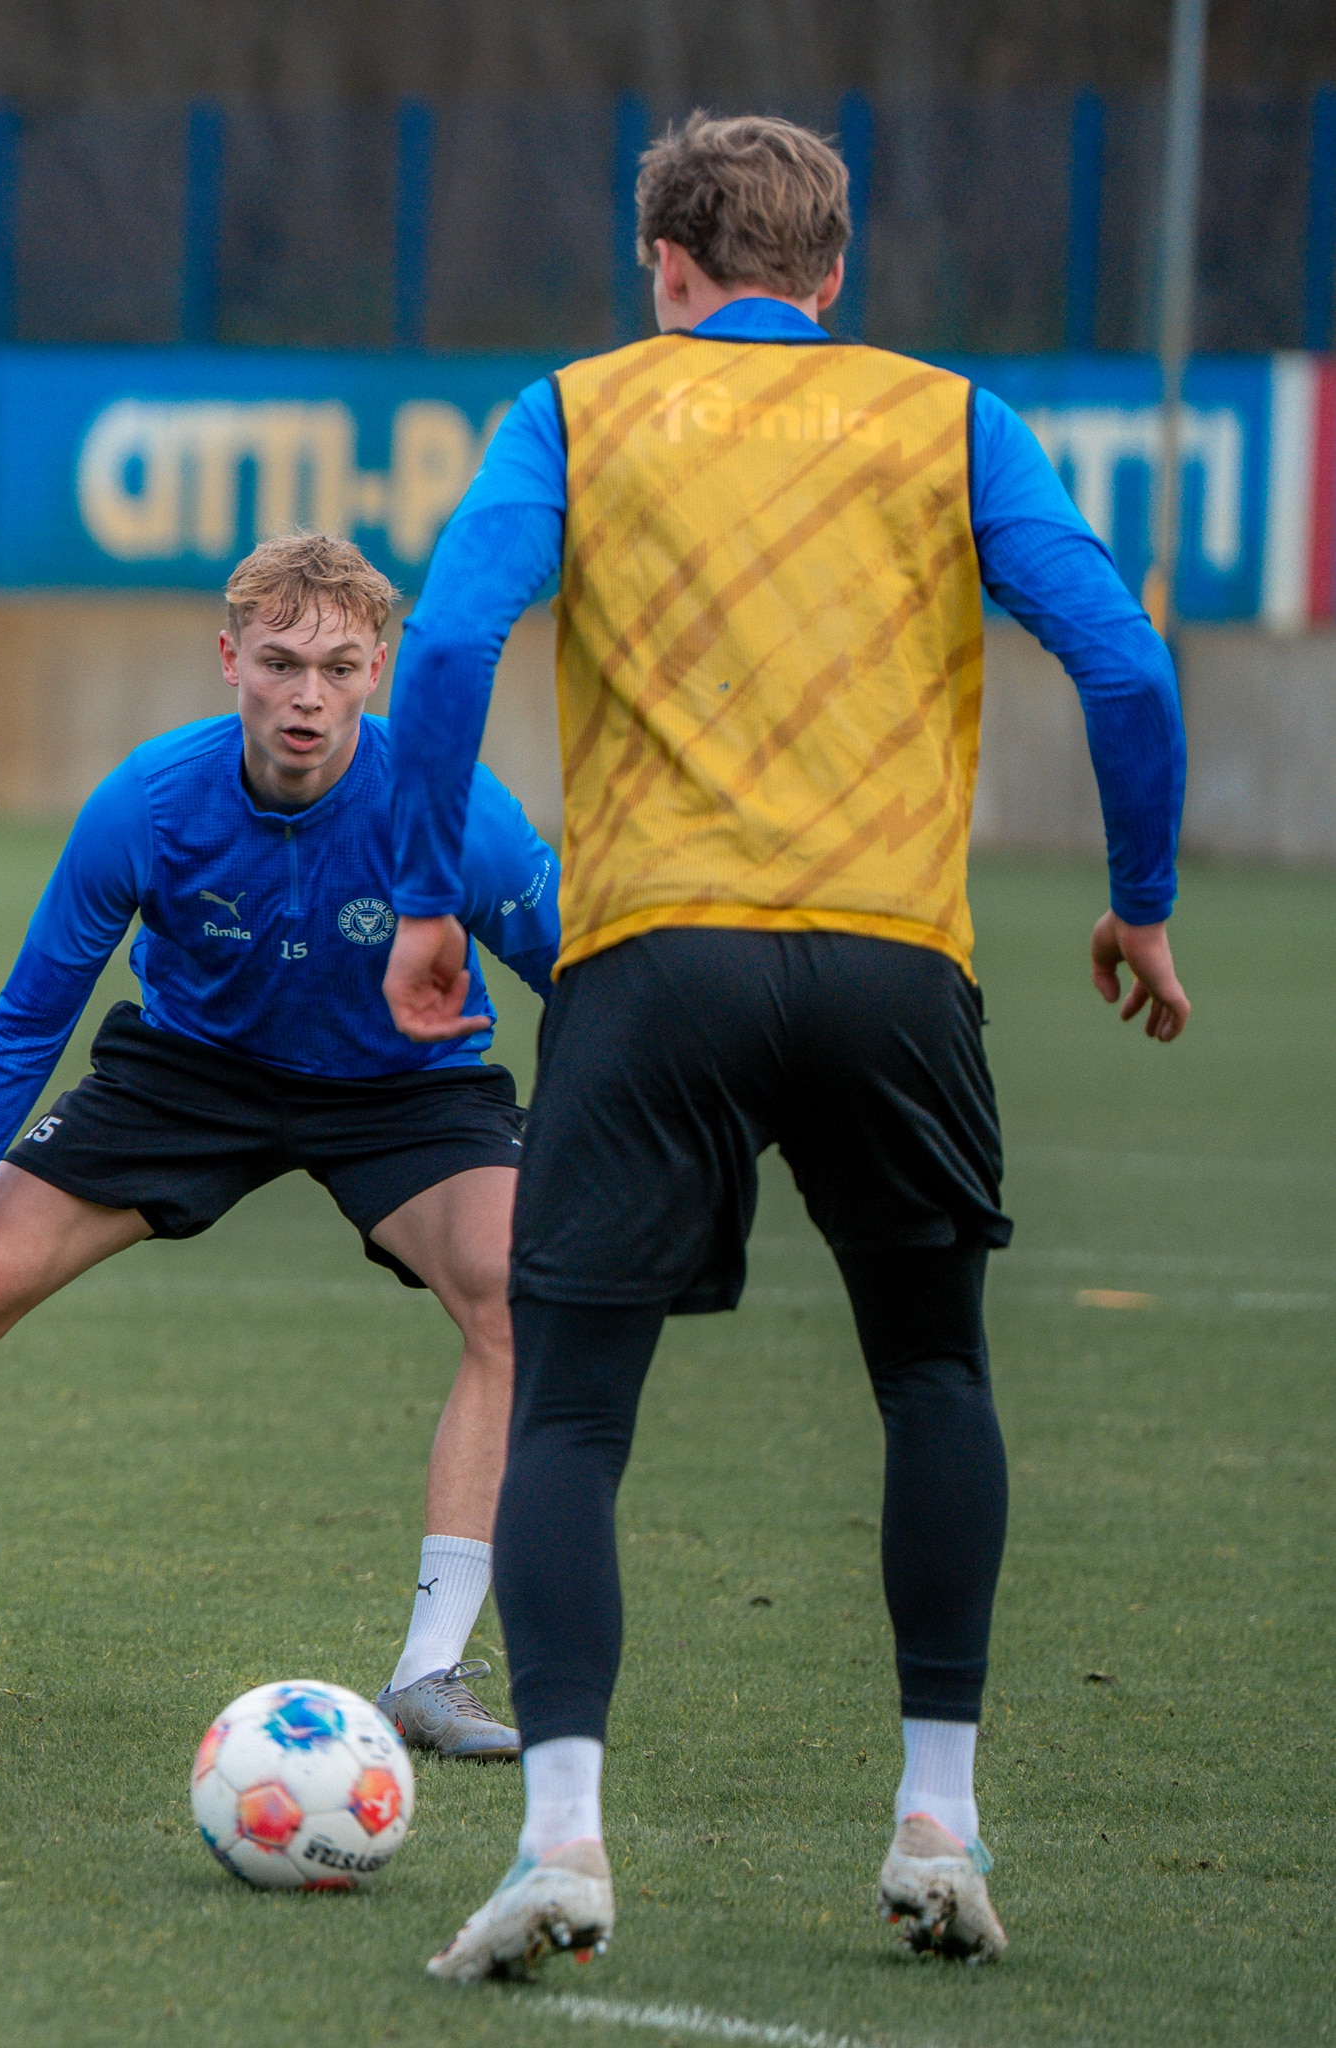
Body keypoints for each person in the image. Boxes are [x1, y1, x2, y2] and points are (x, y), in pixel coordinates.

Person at [379, 112, 1190, 1975]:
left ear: (660, 267)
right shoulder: (946, 414)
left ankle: (567, 1842)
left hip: (654, 959)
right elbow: (1125, 664)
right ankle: (937, 1818)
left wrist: (430, 897)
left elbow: (445, 645)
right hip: (893, 964)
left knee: (573, 1403)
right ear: (833, 278)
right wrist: (1135, 898)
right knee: (929, 1374)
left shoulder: (577, 409)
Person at [0, 532, 560, 1762]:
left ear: (380, 670)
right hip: (189, 1074)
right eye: (279, 663)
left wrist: (608, 1150)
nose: (306, 696)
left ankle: (430, 1674)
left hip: (402, 1088)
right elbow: (24, 1026)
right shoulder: (151, 803)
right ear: (230, 660)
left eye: (336, 667)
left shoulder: (456, 814)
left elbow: (584, 977)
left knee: (512, 1294)